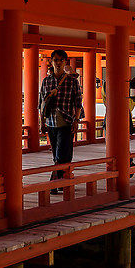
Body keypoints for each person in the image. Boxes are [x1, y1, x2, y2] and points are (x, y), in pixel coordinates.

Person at [38, 49, 84, 190]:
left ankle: (55, 180)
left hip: (67, 121)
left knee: (61, 151)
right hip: (50, 121)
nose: (57, 63)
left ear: (65, 62)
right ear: (51, 62)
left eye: (60, 60)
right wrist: (41, 122)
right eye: (55, 60)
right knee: (57, 152)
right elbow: (41, 103)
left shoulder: (72, 81)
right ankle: (64, 178)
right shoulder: (46, 81)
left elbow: (78, 103)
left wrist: (76, 121)